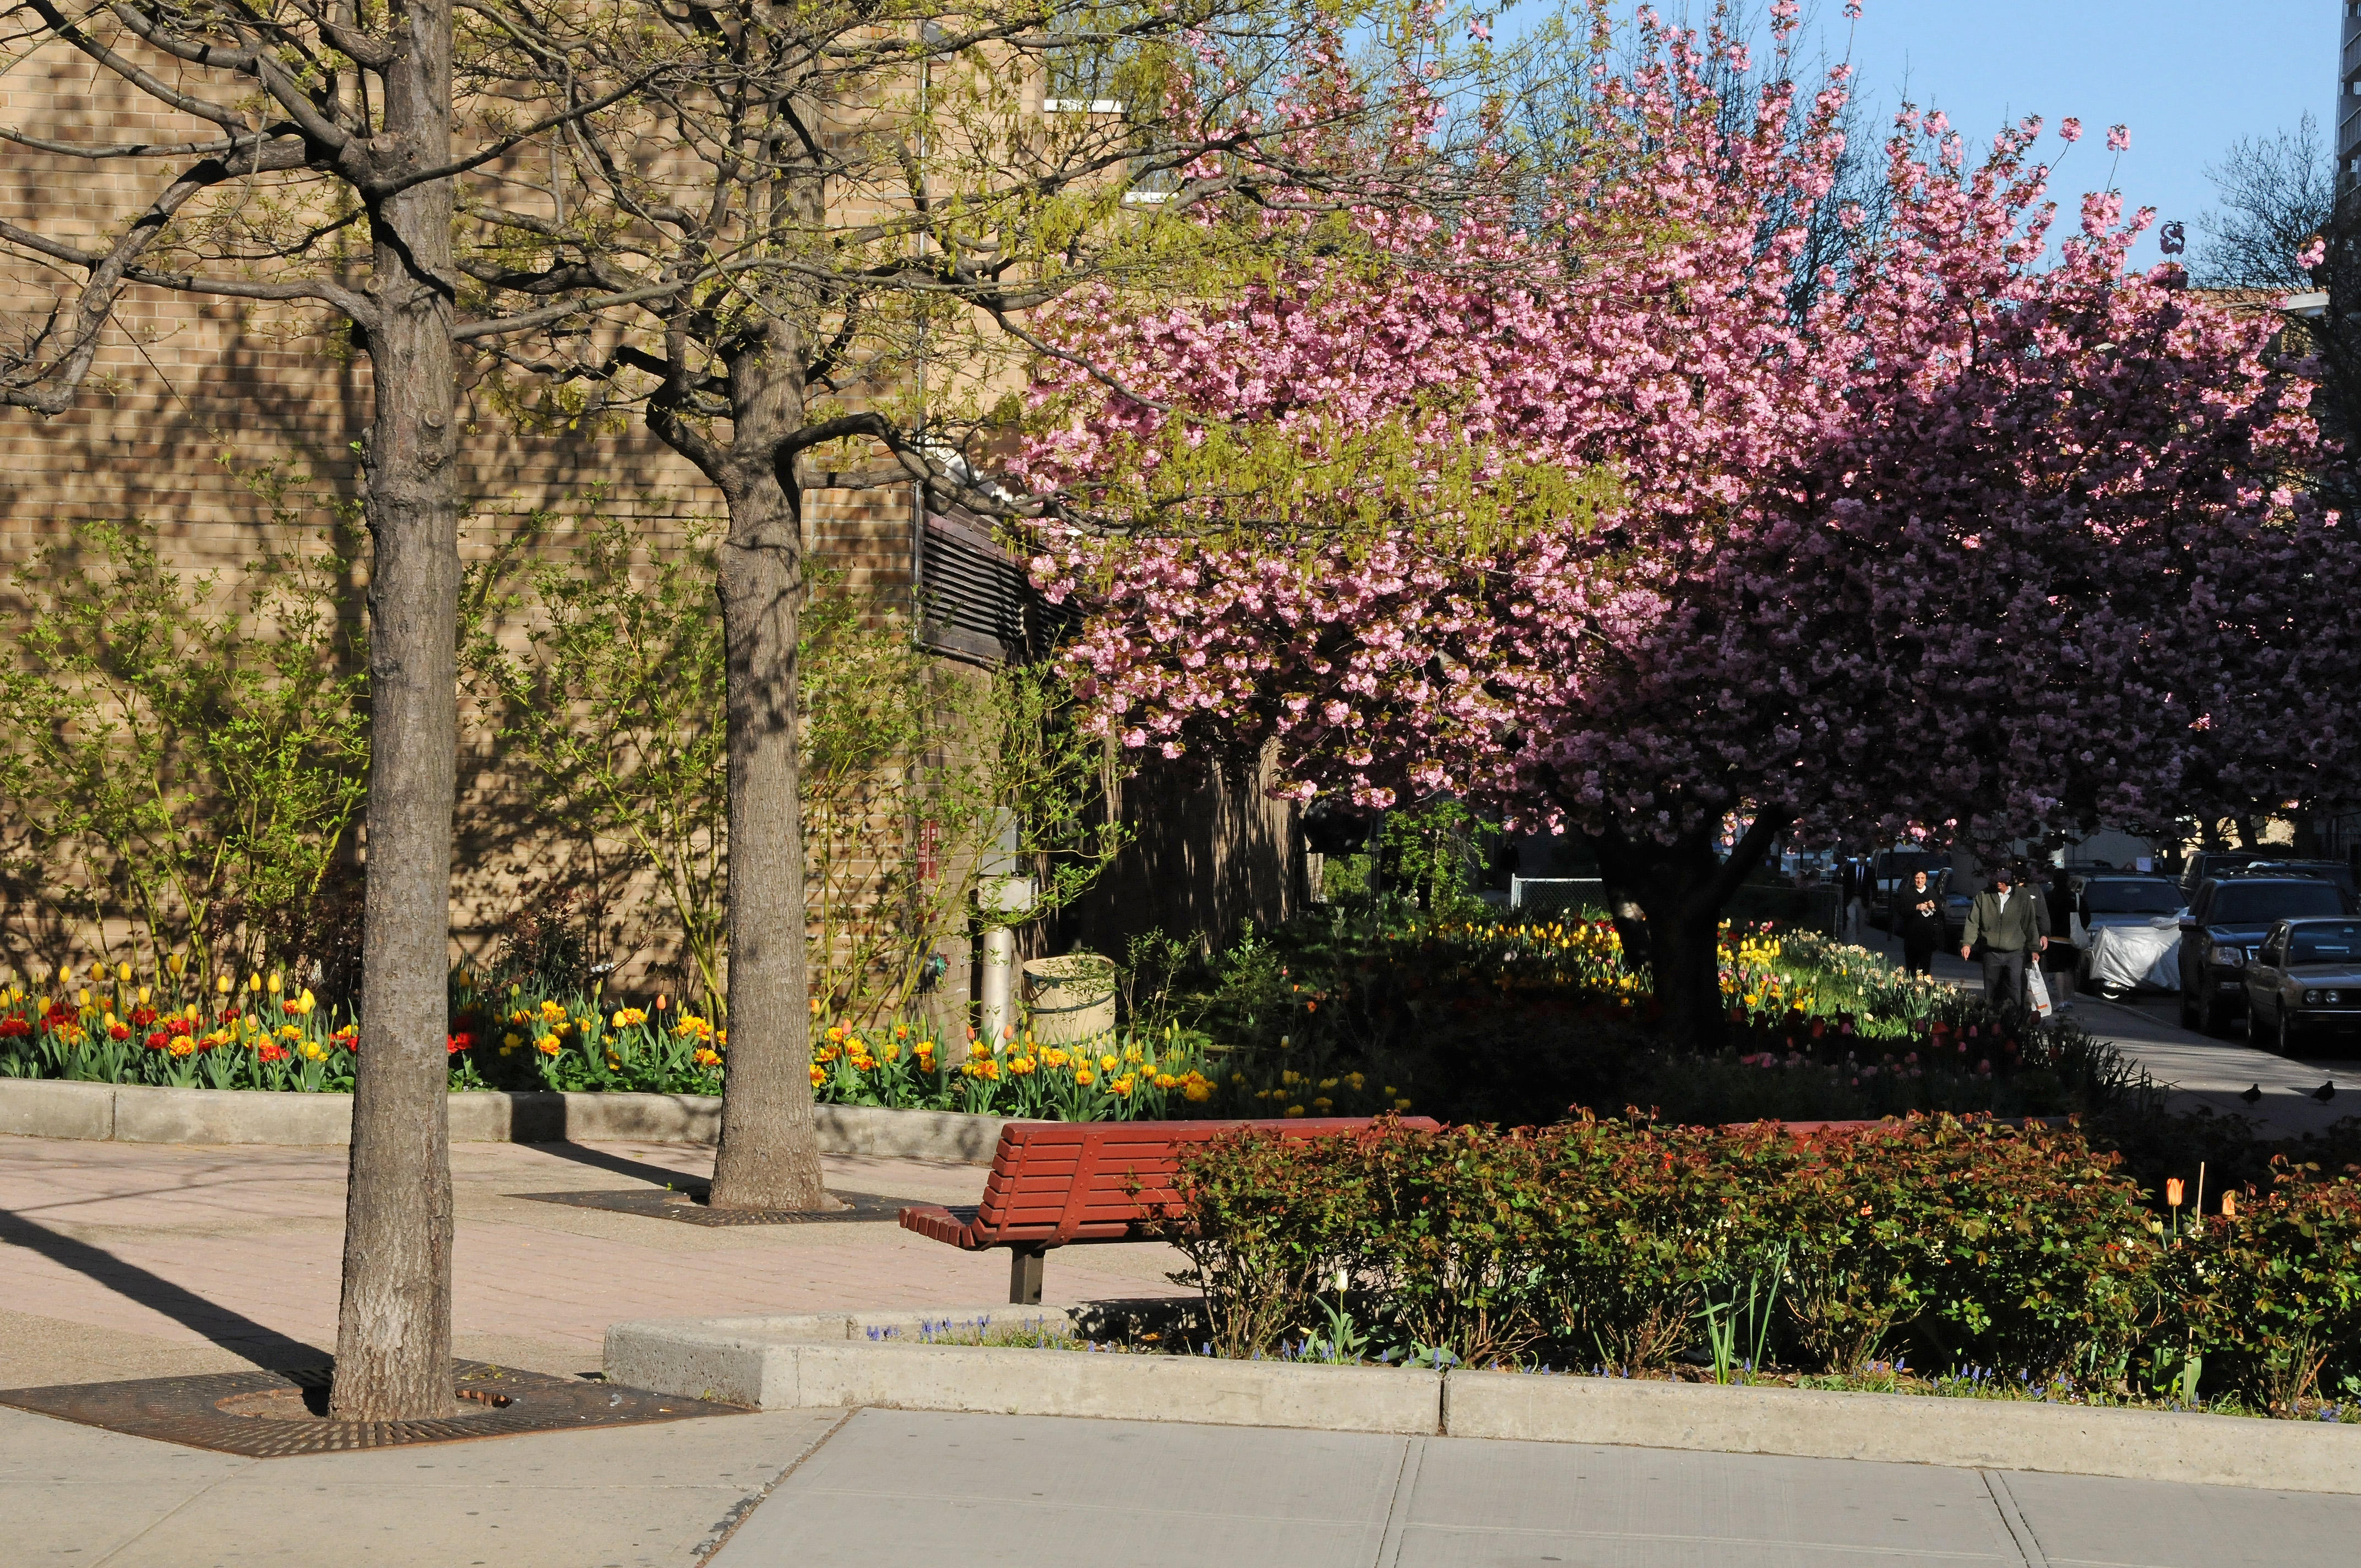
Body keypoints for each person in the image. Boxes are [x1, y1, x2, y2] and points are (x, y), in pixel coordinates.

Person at [1961, 865, 2047, 1012]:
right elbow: (1973, 921)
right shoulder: (1984, 895)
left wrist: (2034, 949)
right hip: (1991, 952)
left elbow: (2029, 923)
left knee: (2014, 989)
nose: (1998, 883)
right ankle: (1992, 1024)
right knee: (1992, 992)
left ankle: (2014, 1023)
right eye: (1995, 879)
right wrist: (1967, 943)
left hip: (2015, 952)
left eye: (2002, 880)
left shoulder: (2022, 896)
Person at [1896, 869, 1945, 976]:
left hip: (1927, 937)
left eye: (1922, 878)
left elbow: (1938, 914)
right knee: (1911, 968)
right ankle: (1911, 989)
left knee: (1925, 969)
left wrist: (1934, 907)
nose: (1920, 881)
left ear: (1926, 879)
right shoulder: (1907, 893)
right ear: (1914, 879)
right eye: (1917, 878)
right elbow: (1901, 911)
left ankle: (1924, 990)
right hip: (1911, 937)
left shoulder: (1932, 893)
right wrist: (1916, 907)